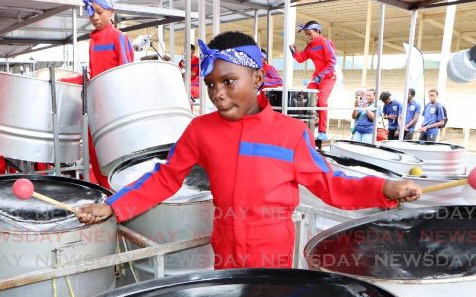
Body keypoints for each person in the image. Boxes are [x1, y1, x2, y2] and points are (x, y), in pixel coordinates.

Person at [76, 31, 421, 270]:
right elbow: (165, 179)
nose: (217, 93)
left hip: (273, 257)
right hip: (225, 252)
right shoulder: (200, 130)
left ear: (257, 79)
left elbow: (333, 185)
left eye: (228, 81)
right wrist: (112, 206)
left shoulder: (291, 134)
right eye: (211, 84)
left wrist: (383, 189)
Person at [62, 0, 134, 189]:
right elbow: (94, 75)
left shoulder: (119, 38)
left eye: (99, 12)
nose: (94, 17)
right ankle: (106, 195)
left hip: (114, 109)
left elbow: (127, 74)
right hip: (96, 108)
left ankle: (117, 195)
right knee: (96, 157)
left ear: (111, 11)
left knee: (115, 157)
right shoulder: (93, 40)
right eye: (91, 12)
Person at [290, 21, 336, 141]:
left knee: (321, 102)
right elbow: (301, 59)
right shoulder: (310, 46)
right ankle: (304, 128)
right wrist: (294, 51)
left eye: (309, 33)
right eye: (306, 34)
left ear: (317, 31)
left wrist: (321, 75)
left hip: (328, 78)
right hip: (317, 78)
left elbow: (332, 62)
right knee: (305, 99)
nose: (308, 36)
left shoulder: (325, 42)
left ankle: (322, 131)